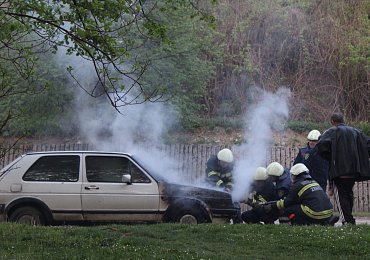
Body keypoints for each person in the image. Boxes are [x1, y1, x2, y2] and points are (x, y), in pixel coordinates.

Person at [316, 112, 370, 225]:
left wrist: (329, 157)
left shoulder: (331, 131)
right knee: (349, 194)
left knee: (341, 197)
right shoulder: (356, 131)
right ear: (343, 120)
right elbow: (367, 144)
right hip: (354, 171)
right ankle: (350, 219)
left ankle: (347, 221)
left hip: (339, 171)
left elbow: (320, 145)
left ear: (332, 122)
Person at [263, 163, 337, 225]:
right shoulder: (313, 181)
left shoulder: (297, 185)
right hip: (328, 212)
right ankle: (325, 222)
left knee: (288, 209)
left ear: (295, 175)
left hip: (315, 213)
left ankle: (291, 226)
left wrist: (271, 205)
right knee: (300, 208)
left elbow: (287, 202)